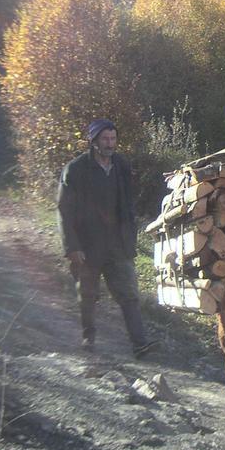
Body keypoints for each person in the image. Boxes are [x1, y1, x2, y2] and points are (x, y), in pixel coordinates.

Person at [57, 118, 155, 358]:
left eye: (113, 139)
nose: (110, 144)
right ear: (94, 141)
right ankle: (88, 338)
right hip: (87, 246)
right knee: (88, 296)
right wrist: (72, 246)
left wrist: (130, 237)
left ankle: (140, 344)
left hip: (117, 245)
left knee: (129, 295)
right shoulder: (76, 169)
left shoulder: (121, 165)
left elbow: (127, 204)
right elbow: (64, 210)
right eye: (105, 139)